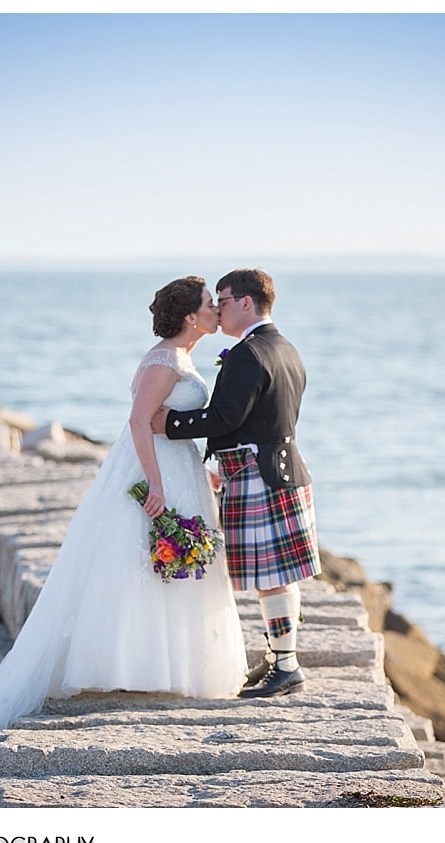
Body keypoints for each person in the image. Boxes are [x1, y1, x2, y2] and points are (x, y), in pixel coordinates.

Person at [0, 276, 248, 808]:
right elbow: (139, 423)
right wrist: (156, 484)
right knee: (136, 563)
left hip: (181, 470)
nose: (215, 310)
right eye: (208, 304)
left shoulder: (181, 357)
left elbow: (174, 424)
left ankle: (167, 664)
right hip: (153, 471)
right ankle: (128, 664)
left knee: (167, 568)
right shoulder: (163, 362)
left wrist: (201, 474)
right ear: (188, 317)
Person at [153, 268, 321, 699]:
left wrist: (169, 424)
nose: (218, 309)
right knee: (278, 575)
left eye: (222, 301)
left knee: (273, 577)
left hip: (259, 473)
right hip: (280, 467)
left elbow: (224, 417)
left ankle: (287, 666)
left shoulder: (249, 353)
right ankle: (280, 654)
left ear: (246, 302)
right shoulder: (284, 347)